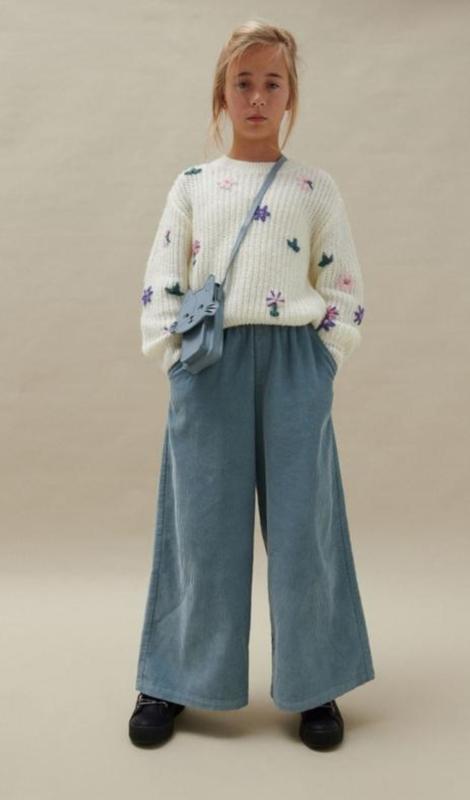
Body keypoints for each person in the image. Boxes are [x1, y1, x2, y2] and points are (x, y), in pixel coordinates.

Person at [129, 19, 375, 750]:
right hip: (211, 365)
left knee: (305, 528)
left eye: (272, 83)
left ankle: (314, 684)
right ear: (222, 95)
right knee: (200, 528)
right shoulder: (193, 185)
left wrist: (325, 358)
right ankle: (172, 680)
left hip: (296, 364)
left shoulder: (314, 187)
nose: (258, 97)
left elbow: (344, 284)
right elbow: (162, 279)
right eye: (244, 83)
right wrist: (176, 360)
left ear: (290, 95)